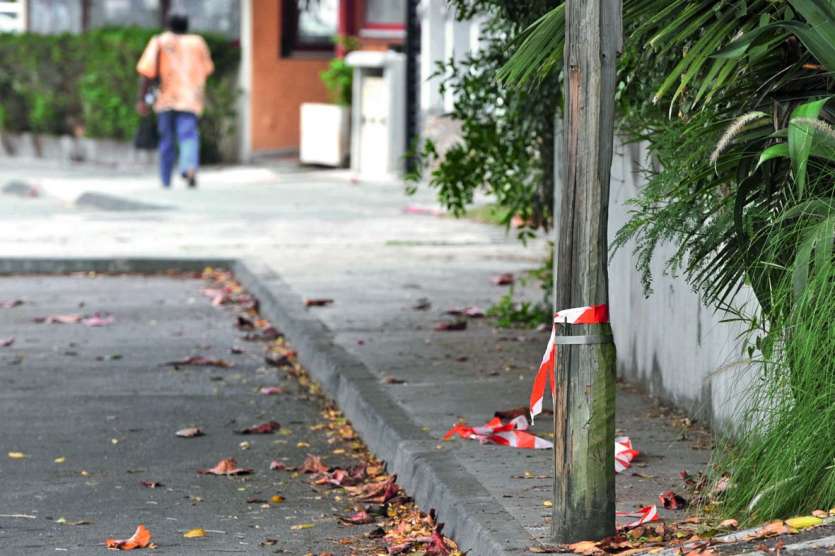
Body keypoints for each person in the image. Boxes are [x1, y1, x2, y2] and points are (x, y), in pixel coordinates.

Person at [136, 14, 214, 188]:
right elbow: (208, 69)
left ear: (169, 26)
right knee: (188, 136)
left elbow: (146, 72)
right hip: (190, 98)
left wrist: (142, 99)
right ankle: (189, 168)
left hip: (165, 99)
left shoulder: (160, 41)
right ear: (187, 26)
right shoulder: (197, 43)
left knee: (167, 140)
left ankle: (165, 179)